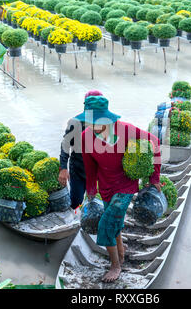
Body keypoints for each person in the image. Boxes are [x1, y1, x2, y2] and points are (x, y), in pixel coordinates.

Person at [76, 95, 162, 282]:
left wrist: (154, 177)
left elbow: (154, 142)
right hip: (105, 187)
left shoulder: (126, 130)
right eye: (89, 122)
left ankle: (115, 265)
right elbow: (90, 167)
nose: (93, 126)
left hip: (125, 186)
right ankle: (121, 252)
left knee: (106, 225)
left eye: (97, 122)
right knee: (113, 222)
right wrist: (90, 190)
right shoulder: (85, 137)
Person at [58, 90, 103, 210]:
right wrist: (63, 168)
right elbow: (65, 146)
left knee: (96, 202)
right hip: (78, 169)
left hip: (98, 172)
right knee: (76, 202)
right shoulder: (75, 122)